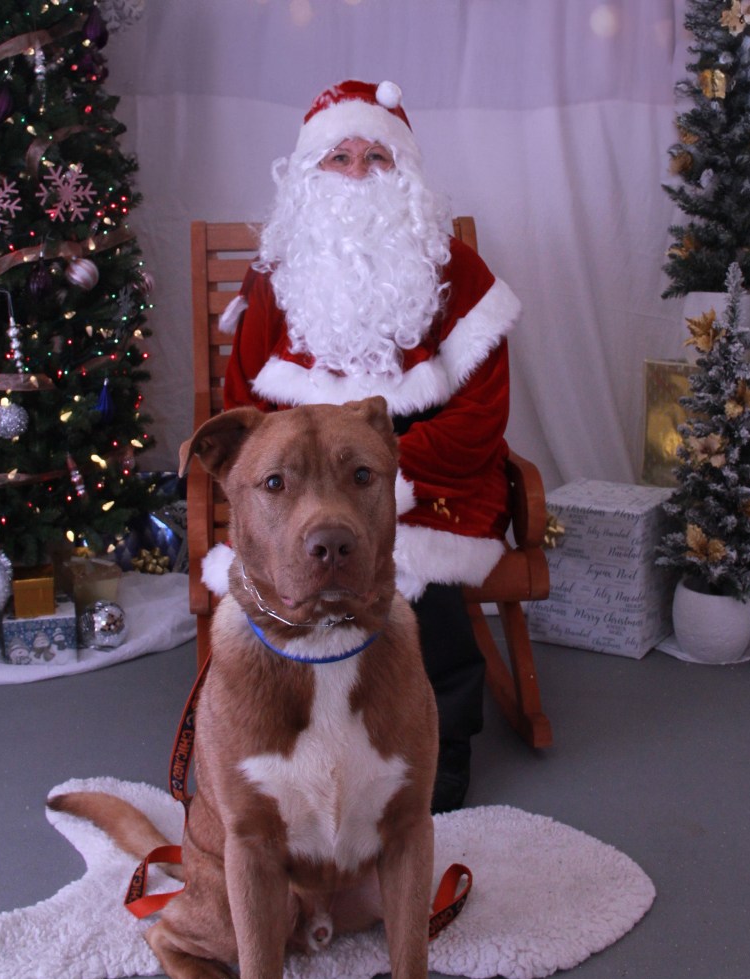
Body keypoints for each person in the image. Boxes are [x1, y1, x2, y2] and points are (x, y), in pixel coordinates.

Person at [216, 79, 521, 812]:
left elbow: (483, 413)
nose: (357, 173)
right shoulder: (275, 276)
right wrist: (288, 487)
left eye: (376, 157)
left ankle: (442, 749)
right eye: (340, 157)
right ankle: (280, 740)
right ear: (310, 173)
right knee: (282, 561)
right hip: (296, 483)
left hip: (422, 475)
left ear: (403, 171)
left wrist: (389, 480)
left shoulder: (456, 270)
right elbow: (242, 405)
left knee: (420, 570)